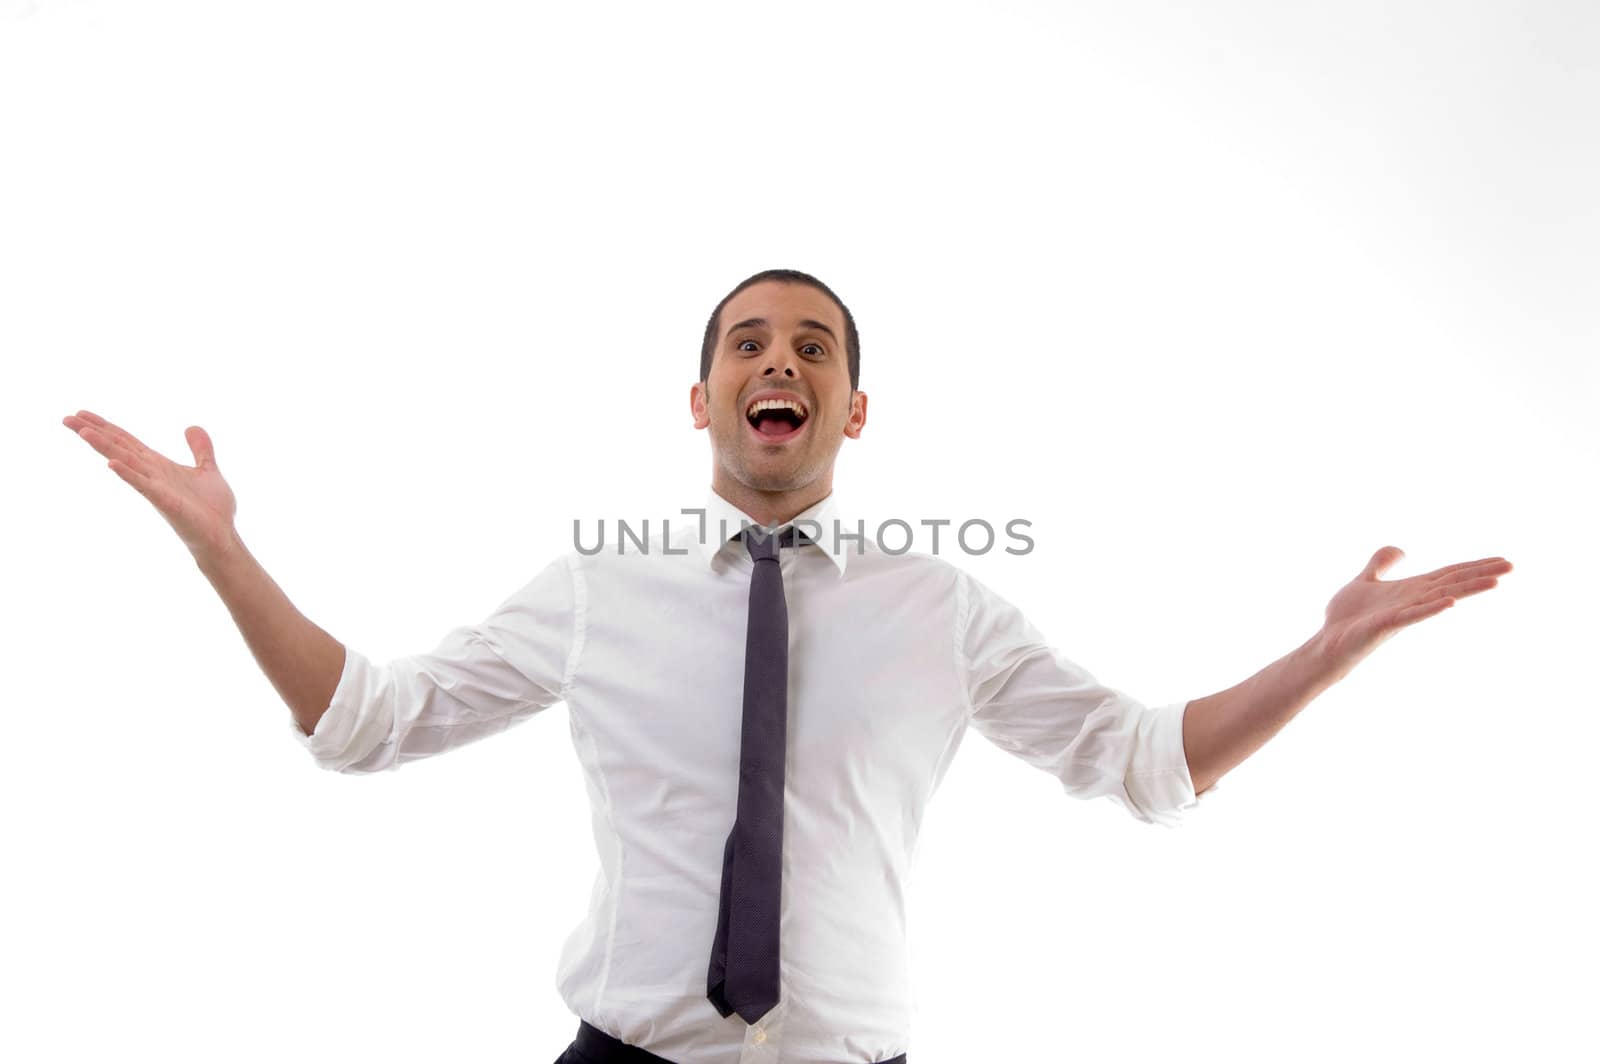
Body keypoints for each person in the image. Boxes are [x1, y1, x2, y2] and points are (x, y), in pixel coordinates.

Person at [62, 267, 1512, 1064]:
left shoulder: (941, 604)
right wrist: (221, 554)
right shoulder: (598, 586)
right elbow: (367, 724)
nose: (783, 361)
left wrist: (1327, 653)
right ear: (701, 400)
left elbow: (1145, 763)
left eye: (814, 347)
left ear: (854, 408)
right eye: (752, 343)